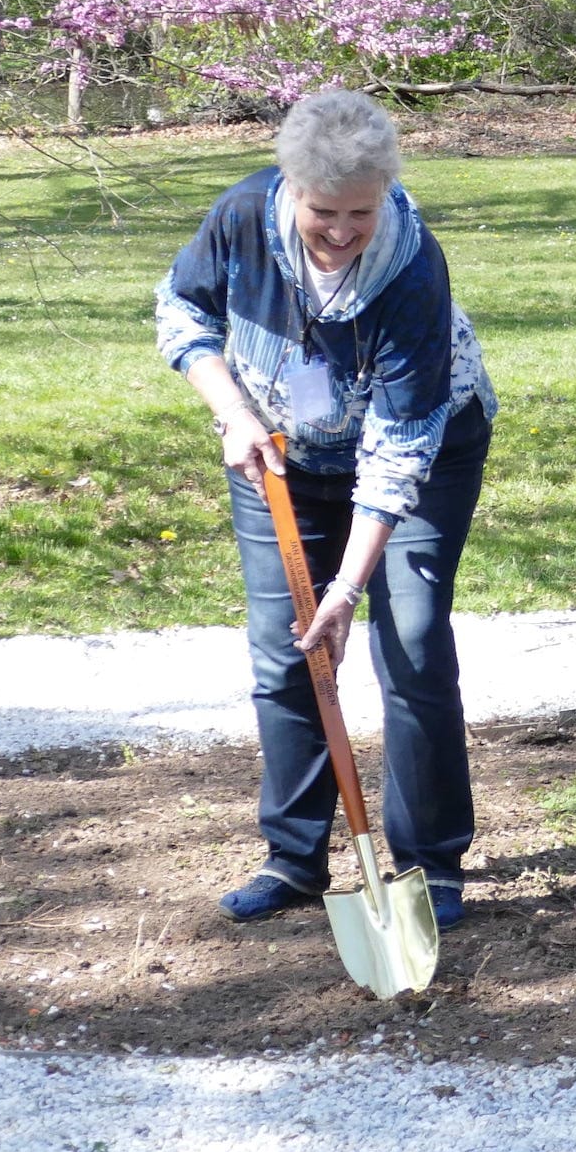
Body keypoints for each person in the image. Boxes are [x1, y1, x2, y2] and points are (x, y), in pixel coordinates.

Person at [157, 90, 497, 929]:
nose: (342, 232)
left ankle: (429, 864)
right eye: (323, 212)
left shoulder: (411, 269)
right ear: (289, 188)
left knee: (410, 640)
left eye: (360, 212)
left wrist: (346, 588)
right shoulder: (240, 218)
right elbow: (181, 312)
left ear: (386, 194)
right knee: (287, 652)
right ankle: (296, 858)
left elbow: (397, 449)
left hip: (424, 453)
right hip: (276, 453)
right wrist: (232, 411)